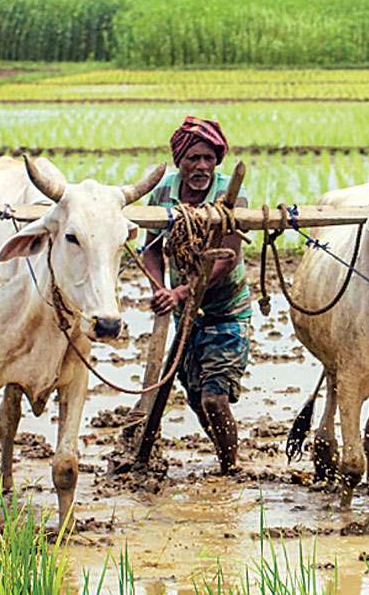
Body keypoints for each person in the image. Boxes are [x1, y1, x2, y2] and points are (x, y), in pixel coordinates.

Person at [141, 116, 251, 474]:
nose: (201, 166)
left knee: (214, 397)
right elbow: (152, 249)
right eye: (193, 158)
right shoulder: (162, 194)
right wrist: (161, 289)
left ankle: (230, 469)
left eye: (208, 158)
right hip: (185, 312)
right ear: (180, 161)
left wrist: (181, 291)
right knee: (195, 395)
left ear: (217, 160)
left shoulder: (230, 196)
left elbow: (226, 258)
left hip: (226, 311)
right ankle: (225, 455)